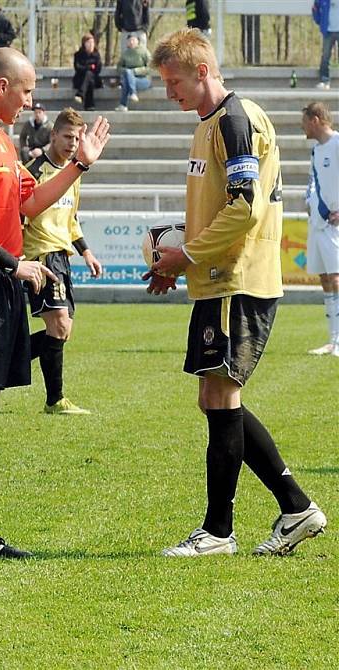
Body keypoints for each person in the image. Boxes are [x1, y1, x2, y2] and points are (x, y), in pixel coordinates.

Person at [147, 29, 327, 557]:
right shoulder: (208, 124)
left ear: (202, 71)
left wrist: (188, 254)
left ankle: (218, 532)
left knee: (221, 396)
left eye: (174, 81)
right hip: (217, 277)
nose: (169, 92)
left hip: (236, 279)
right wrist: (177, 260)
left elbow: (245, 206)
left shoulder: (234, 118)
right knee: (215, 399)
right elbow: (217, 207)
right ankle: (295, 507)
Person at [0, 47, 110, 562]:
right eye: (27, 91)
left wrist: (78, 165)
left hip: (2, 281)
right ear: (1, 86)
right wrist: (15, 264)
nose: (32, 101)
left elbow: (29, 203)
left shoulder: (3, 142)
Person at [23, 108, 102, 416]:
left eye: (78, 138)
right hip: (40, 255)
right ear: (53, 135)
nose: (73, 143)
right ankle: (55, 400)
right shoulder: (33, 170)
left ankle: (4, 361)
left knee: (62, 331)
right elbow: (19, 213)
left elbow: (71, 217)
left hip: (62, 255)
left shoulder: (74, 171)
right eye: (68, 136)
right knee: (59, 323)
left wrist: (86, 251)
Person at [302, 102, 339, 355]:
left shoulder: (337, 143)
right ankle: (333, 338)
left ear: (315, 119)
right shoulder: (316, 150)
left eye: (304, 121)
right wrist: (309, 202)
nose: (302, 127)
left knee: (337, 278)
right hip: (318, 221)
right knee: (325, 278)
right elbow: (313, 181)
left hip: (334, 223)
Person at [115, 33, 152, 112]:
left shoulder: (144, 51)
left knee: (127, 79)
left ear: (137, 41)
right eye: (129, 40)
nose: (131, 42)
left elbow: (150, 67)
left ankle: (123, 103)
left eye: (133, 40)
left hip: (143, 80)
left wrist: (135, 71)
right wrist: (127, 71)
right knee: (127, 76)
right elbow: (119, 67)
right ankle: (132, 94)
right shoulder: (125, 54)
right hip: (130, 80)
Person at [72, 32, 102, 112]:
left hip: (94, 79)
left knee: (89, 76)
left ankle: (80, 94)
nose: (91, 44)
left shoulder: (96, 55)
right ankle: (90, 105)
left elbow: (98, 69)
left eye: (92, 42)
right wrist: (89, 67)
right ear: (84, 44)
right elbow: (78, 67)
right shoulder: (78, 55)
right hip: (80, 79)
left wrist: (87, 68)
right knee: (88, 77)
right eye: (88, 43)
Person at [313, 0, 339, 89]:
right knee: (325, 56)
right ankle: (324, 81)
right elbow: (315, 8)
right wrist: (320, 21)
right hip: (328, 31)